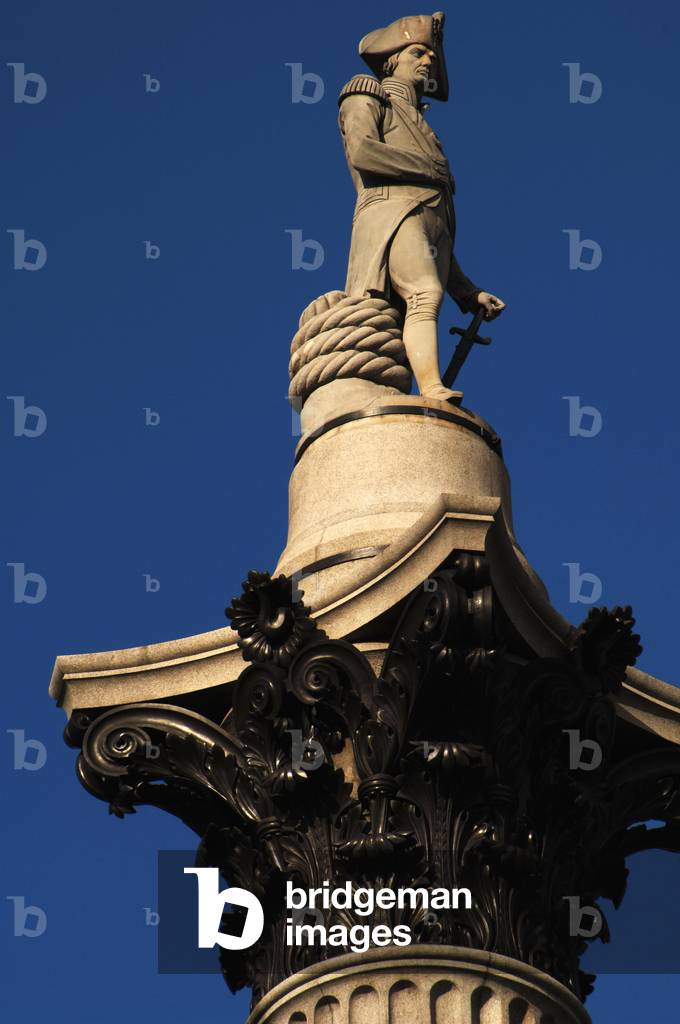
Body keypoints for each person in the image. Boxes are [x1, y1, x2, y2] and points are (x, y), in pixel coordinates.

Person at [339, 12, 506, 402]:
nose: (428, 61)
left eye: (431, 55)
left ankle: (418, 390)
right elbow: (362, 152)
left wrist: (467, 293)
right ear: (393, 58)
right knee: (424, 294)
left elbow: (440, 248)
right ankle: (432, 388)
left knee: (414, 307)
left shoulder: (424, 125)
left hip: (429, 219)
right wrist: (428, 168)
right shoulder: (367, 92)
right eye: (418, 52)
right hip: (391, 212)